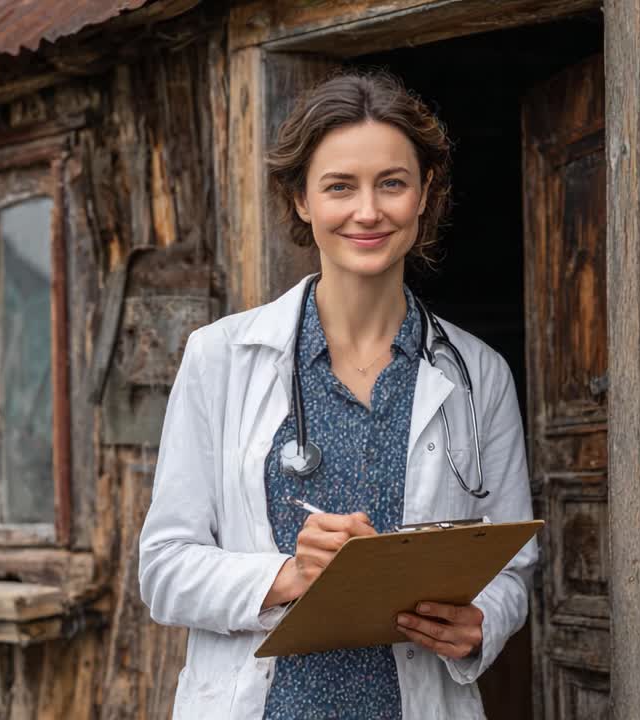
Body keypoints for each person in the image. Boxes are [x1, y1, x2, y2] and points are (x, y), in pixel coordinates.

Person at [137, 71, 536, 720]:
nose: (368, 212)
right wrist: (288, 576)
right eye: (339, 187)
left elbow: (513, 567)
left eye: (393, 183)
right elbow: (163, 570)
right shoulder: (219, 358)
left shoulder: (478, 373)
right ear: (301, 200)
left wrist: (482, 623)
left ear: (425, 192)